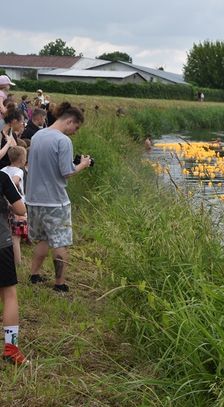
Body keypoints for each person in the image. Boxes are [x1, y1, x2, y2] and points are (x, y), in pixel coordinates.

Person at [26, 102, 92, 293]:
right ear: (70, 121)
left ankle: (34, 275)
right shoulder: (63, 141)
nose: (75, 132)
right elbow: (67, 172)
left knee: (43, 239)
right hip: (55, 201)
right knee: (60, 242)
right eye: (76, 127)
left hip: (33, 199)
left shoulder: (38, 135)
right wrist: (84, 164)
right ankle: (60, 283)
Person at [0, 166, 28, 365]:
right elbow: (21, 209)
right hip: (0, 244)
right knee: (9, 294)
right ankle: (11, 350)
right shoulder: (2, 177)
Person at [2, 146, 28, 265]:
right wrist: (10, 188)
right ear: (22, 160)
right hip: (17, 205)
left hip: (6, 207)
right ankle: (18, 262)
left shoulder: (3, 170)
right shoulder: (19, 171)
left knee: (8, 234)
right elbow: (15, 180)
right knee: (15, 236)